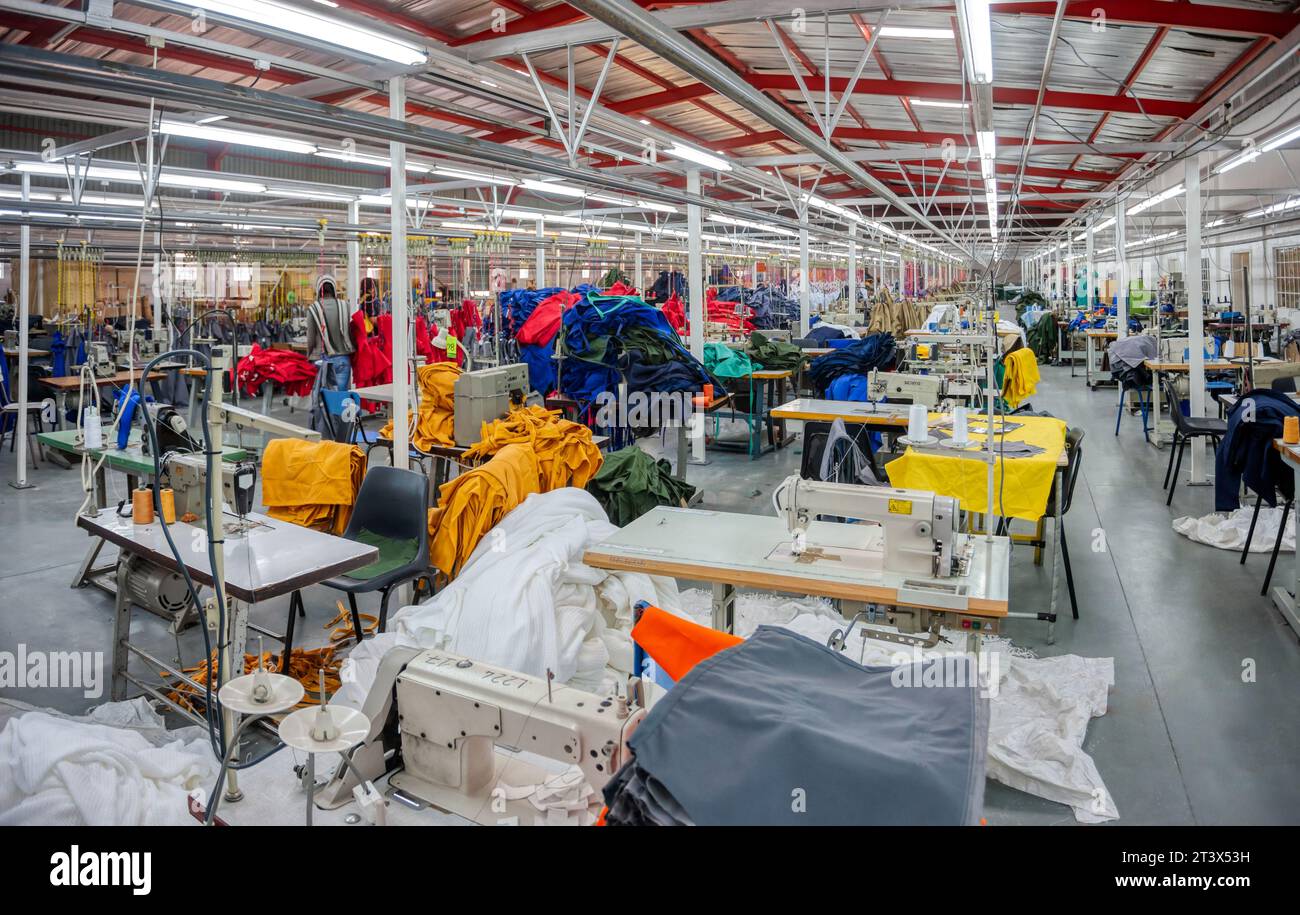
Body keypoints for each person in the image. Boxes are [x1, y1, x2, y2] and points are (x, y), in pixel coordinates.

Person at [307, 275, 355, 392]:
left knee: (324, 400)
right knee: (341, 399)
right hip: (343, 359)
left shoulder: (313, 308)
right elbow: (352, 330)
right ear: (334, 289)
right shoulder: (346, 306)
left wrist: (308, 355)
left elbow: (311, 338)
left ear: (319, 290)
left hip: (323, 360)